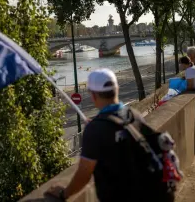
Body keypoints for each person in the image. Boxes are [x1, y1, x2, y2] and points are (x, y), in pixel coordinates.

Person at [47, 68, 176, 202]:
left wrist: (63, 194)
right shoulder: (133, 114)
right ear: (117, 89)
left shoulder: (96, 129)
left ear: (93, 95)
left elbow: (84, 174)